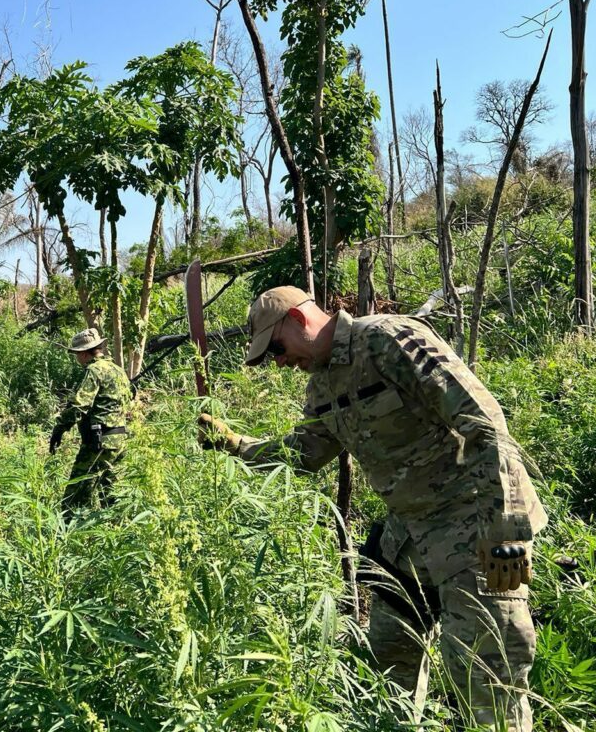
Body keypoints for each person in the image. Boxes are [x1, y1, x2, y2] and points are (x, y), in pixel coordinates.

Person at [198, 286, 547, 731]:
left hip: (481, 526)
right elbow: (302, 453)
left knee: (489, 670)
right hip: (410, 536)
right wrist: (233, 445)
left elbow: (483, 421)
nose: (279, 362)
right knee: (387, 657)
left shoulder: (388, 339)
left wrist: (506, 534)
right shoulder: (322, 385)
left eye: (277, 348)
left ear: (299, 320)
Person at [50, 328, 132, 520]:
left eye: (77, 354)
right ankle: (119, 532)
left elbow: (80, 406)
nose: (77, 359)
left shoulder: (94, 370)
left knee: (76, 497)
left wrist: (59, 428)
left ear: (84, 353)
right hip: (119, 439)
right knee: (112, 494)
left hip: (98, 442)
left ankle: (71, 538)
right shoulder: (118, 370)